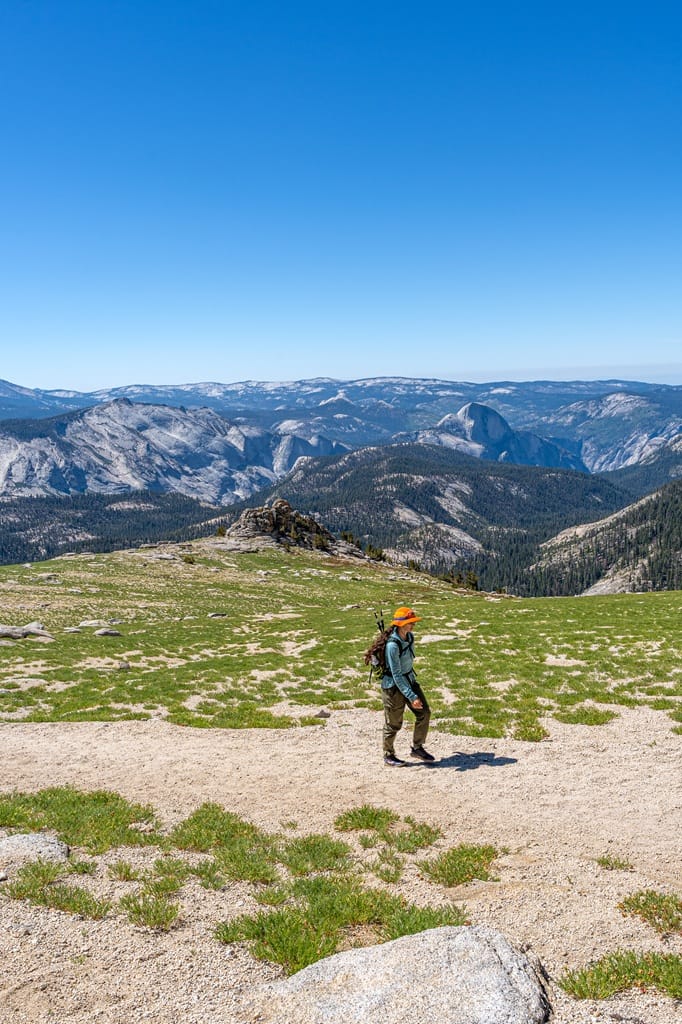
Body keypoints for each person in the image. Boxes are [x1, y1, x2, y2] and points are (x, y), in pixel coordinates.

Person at [381, 606, 435, 766]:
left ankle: (417, 747)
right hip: (393, 687)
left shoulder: (410, 637)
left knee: (424, 713)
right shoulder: (392, 646)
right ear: (400, 624)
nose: (413, 625)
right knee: (393, 723)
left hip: (409, 680)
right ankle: (388, 755)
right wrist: (411, 696)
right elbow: (396, 674)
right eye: (410, 622)